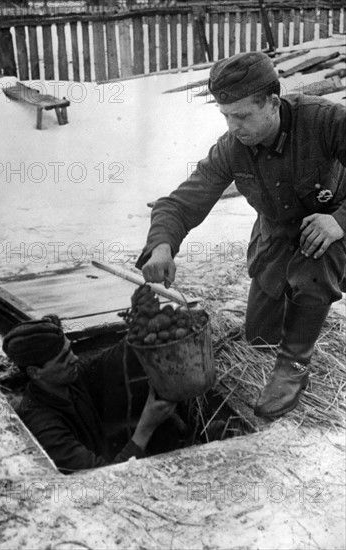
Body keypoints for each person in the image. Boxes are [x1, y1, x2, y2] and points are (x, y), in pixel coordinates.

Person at [135, 51, 346, 419]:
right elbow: (180, 204)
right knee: (259, 339)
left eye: (242, 115)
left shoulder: (325, 120)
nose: (233, 126)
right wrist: (162, 246)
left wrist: (341, 218)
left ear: (273, 104)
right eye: (226, 116)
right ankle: (297, 321)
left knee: (316, 259)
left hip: (331, 228)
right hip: (278, 237)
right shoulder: (233, 148)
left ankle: (294, 366)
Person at [2, 316, 176, 474]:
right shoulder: (44, 428)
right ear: (35, 372)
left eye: (70, 349)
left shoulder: (68, 379)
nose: (75, 358)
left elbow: (109, 362)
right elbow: (107, 479)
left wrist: (140, 333)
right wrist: (145, 428)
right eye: (63, 358)